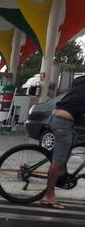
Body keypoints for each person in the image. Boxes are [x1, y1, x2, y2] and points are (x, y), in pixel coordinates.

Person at [40, 75, 85, 209]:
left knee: (73, 139)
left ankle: (61, 172)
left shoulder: (80, 80)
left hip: (55, 116)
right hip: (63, 122)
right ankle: (49, 196)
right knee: (58, 160)